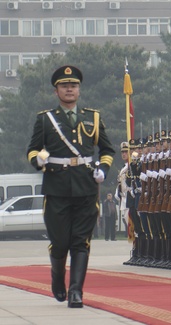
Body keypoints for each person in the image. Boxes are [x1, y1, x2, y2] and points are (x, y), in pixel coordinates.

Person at [26, 65, 115, 308]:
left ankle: (76, 291)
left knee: (81, 242)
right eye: (64, 86)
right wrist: (38, 159)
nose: (69, 89)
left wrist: (103, 170)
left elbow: (107, 150)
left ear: (79, 89)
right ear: (56, 91)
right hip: (56, 188)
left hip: (85, 187)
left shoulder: (93, 117)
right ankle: (57, 278)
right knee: (60, 243)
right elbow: (32, 150)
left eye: (73, 85)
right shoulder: (45, 120)